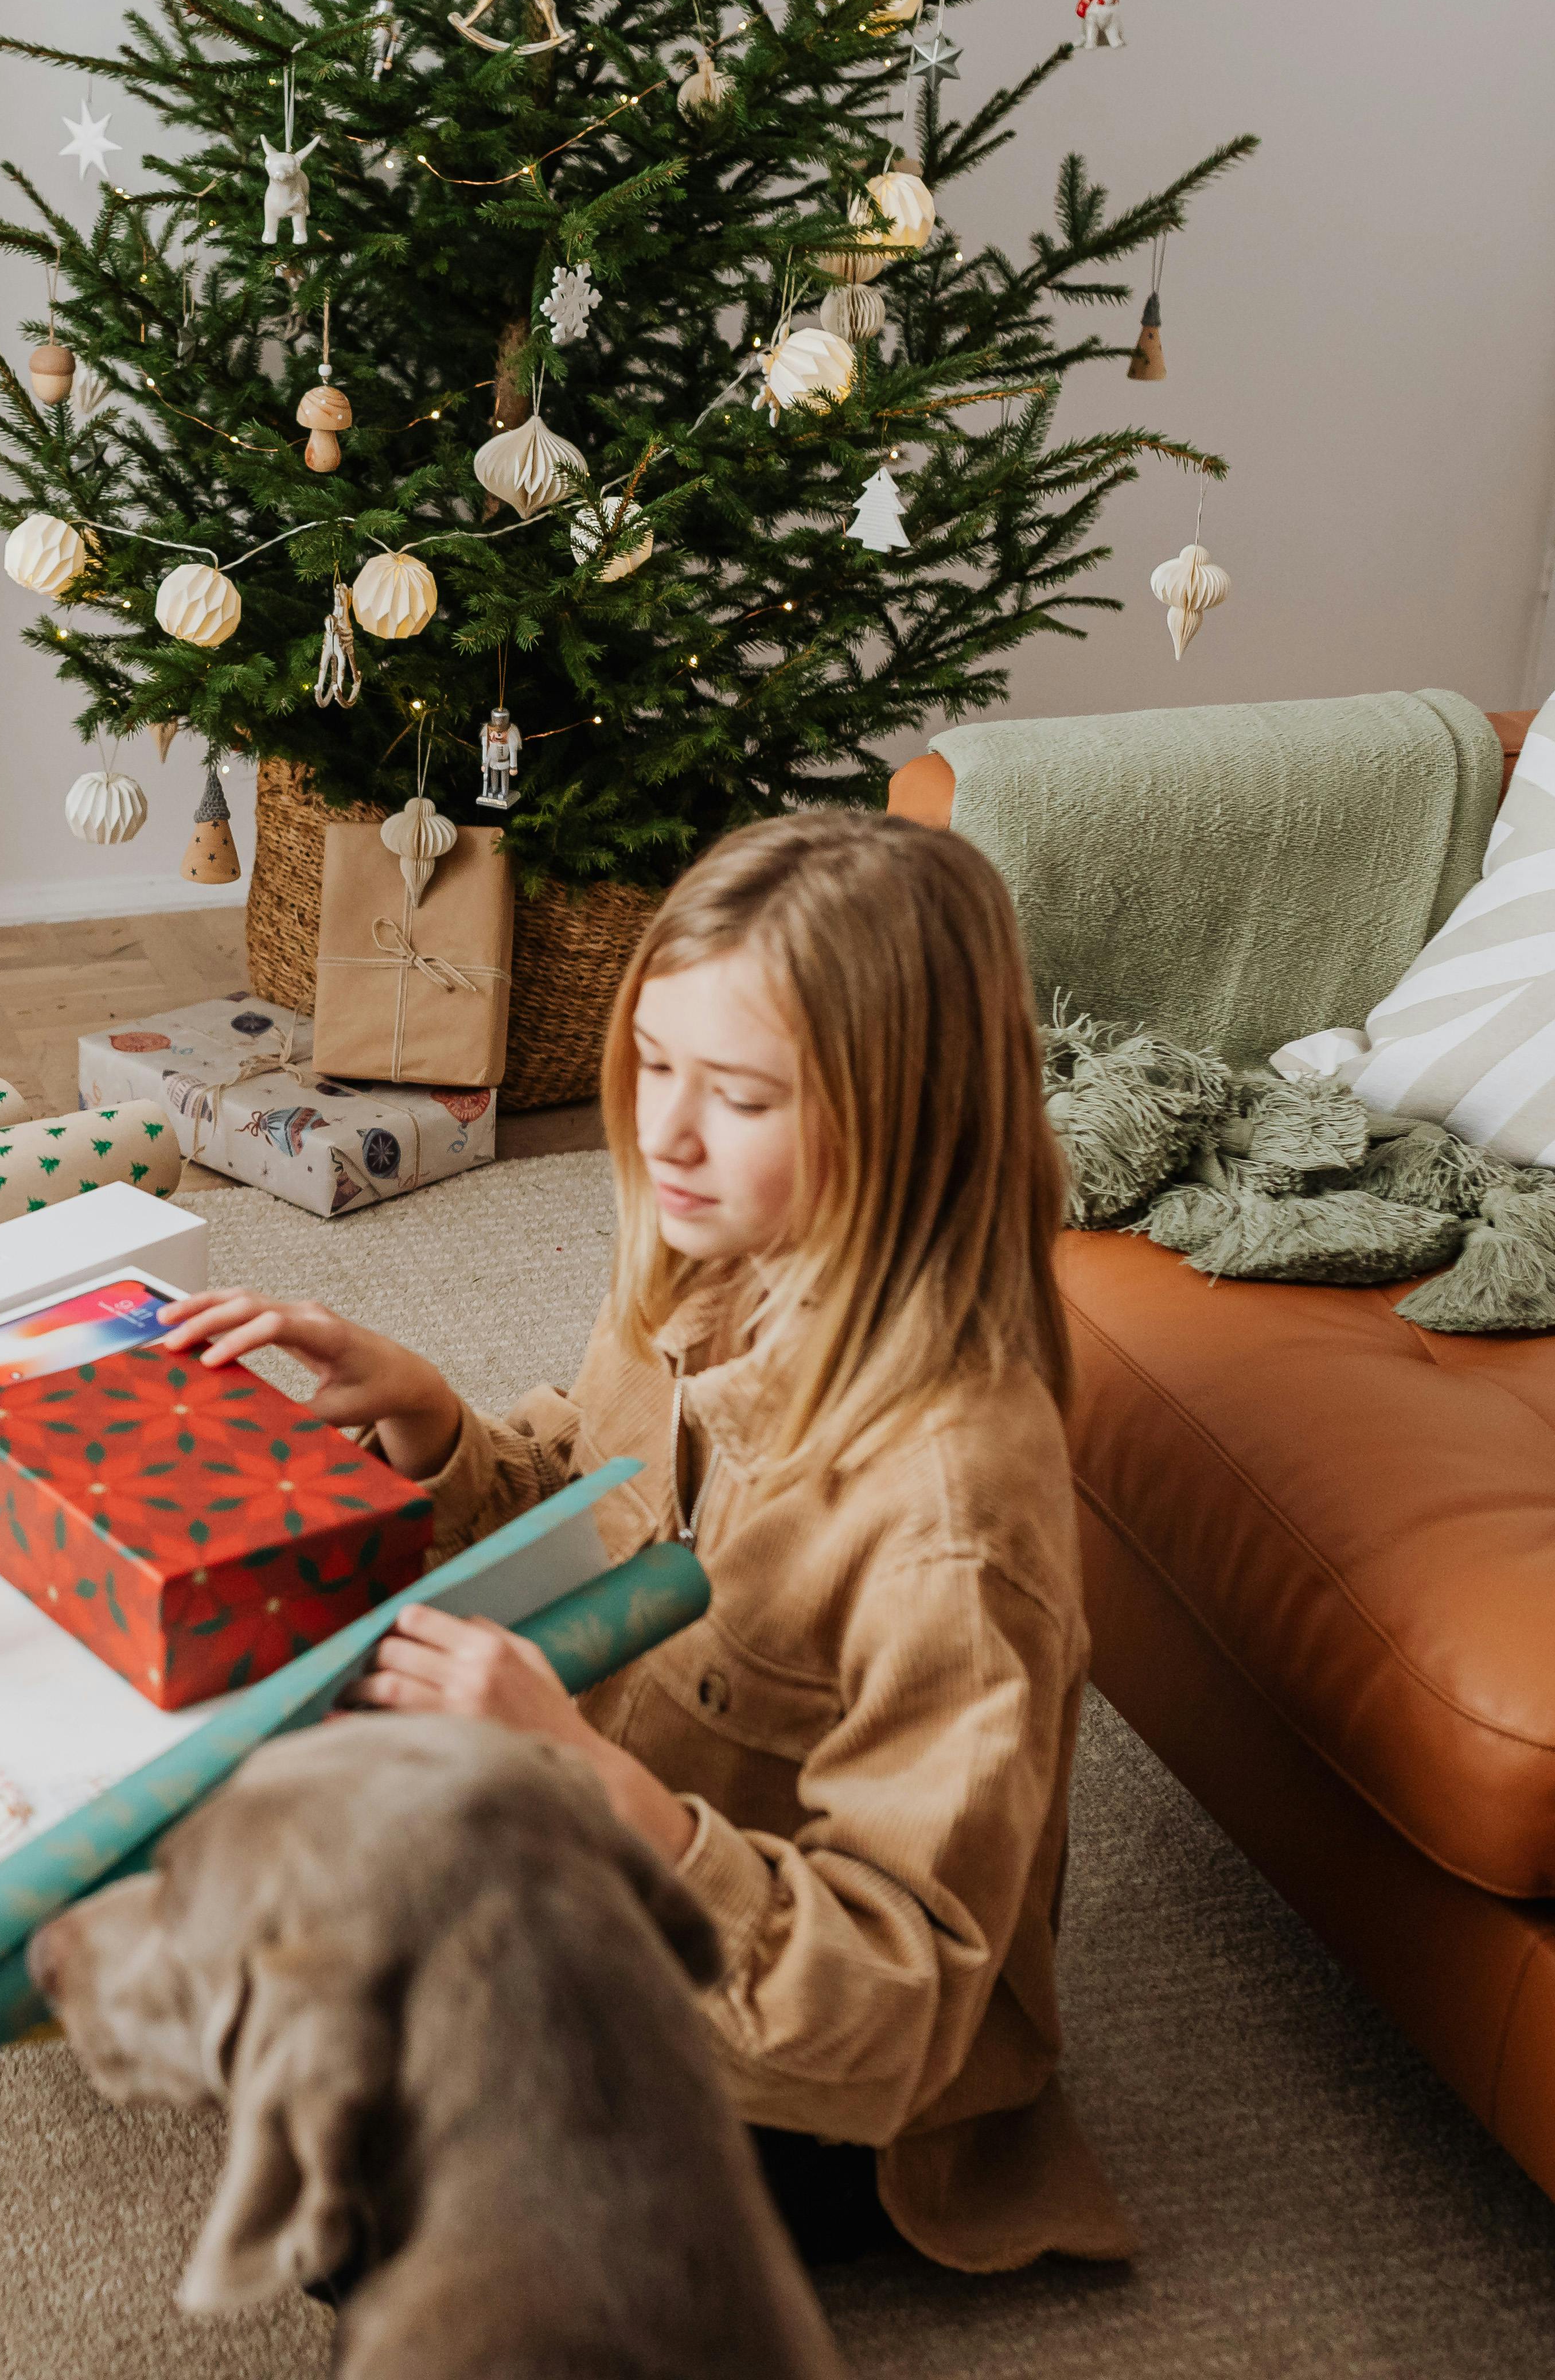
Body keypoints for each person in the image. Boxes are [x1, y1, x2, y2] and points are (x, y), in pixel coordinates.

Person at [158, 808, 1133, 2276]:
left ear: (903, 1118)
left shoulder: (955, 1518)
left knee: (377, 2192)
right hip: (622, 1856)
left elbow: (893, 1998)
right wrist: (435, 1422)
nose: (664, 1133)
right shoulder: (711, 1258)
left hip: (813, 2074)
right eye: (655, 1063)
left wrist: (590, 1782)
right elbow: (589, 1487)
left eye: (736, 1094)